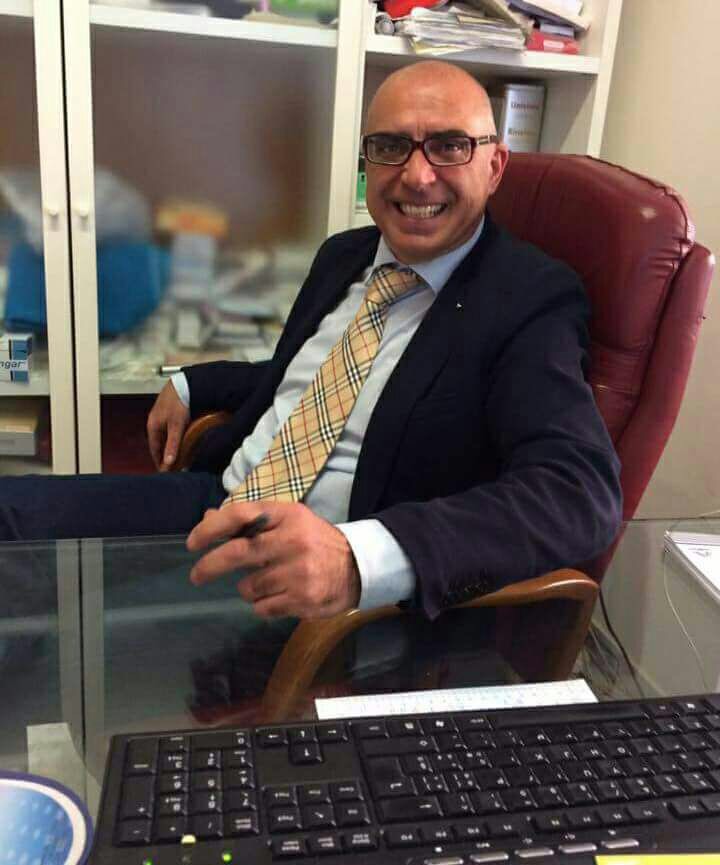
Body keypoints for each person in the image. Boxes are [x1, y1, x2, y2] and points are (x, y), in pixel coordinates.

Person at [0, 61, 622, 624]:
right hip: (216, 500)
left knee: (57, 634)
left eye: (450, 146)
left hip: (321, 588)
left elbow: (579, 494)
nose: (417, 175)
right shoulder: (345, 255)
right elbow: (304, 376)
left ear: (495, 166)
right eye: (390, 147)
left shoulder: (529, 298)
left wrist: (358, 559)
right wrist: (193, 381)